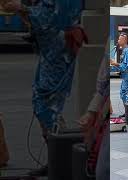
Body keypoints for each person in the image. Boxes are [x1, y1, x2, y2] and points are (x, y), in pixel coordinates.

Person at [0, 0, 87, 176]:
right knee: (45, 104)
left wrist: (22, 9)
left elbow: (50, 19)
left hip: (58, 51)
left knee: (47, 105)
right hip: (53, 50)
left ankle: (60, 158)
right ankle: (56, 156)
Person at [79, 49, 111, 180]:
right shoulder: (111, 45)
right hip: (106, 112)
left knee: (104, 168)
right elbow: (101, 86)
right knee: (102, 169)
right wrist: (91, 114)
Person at [110, 33, 128, 116]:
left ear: (124, 40)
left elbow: (125, 66)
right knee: (123, 94)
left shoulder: (127, 51)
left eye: (119, 39)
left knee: (125, 94)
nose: (118, 41)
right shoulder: (125, 50)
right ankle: (127, 113)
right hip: (126, 76)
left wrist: (114, 64)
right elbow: (123, 66)